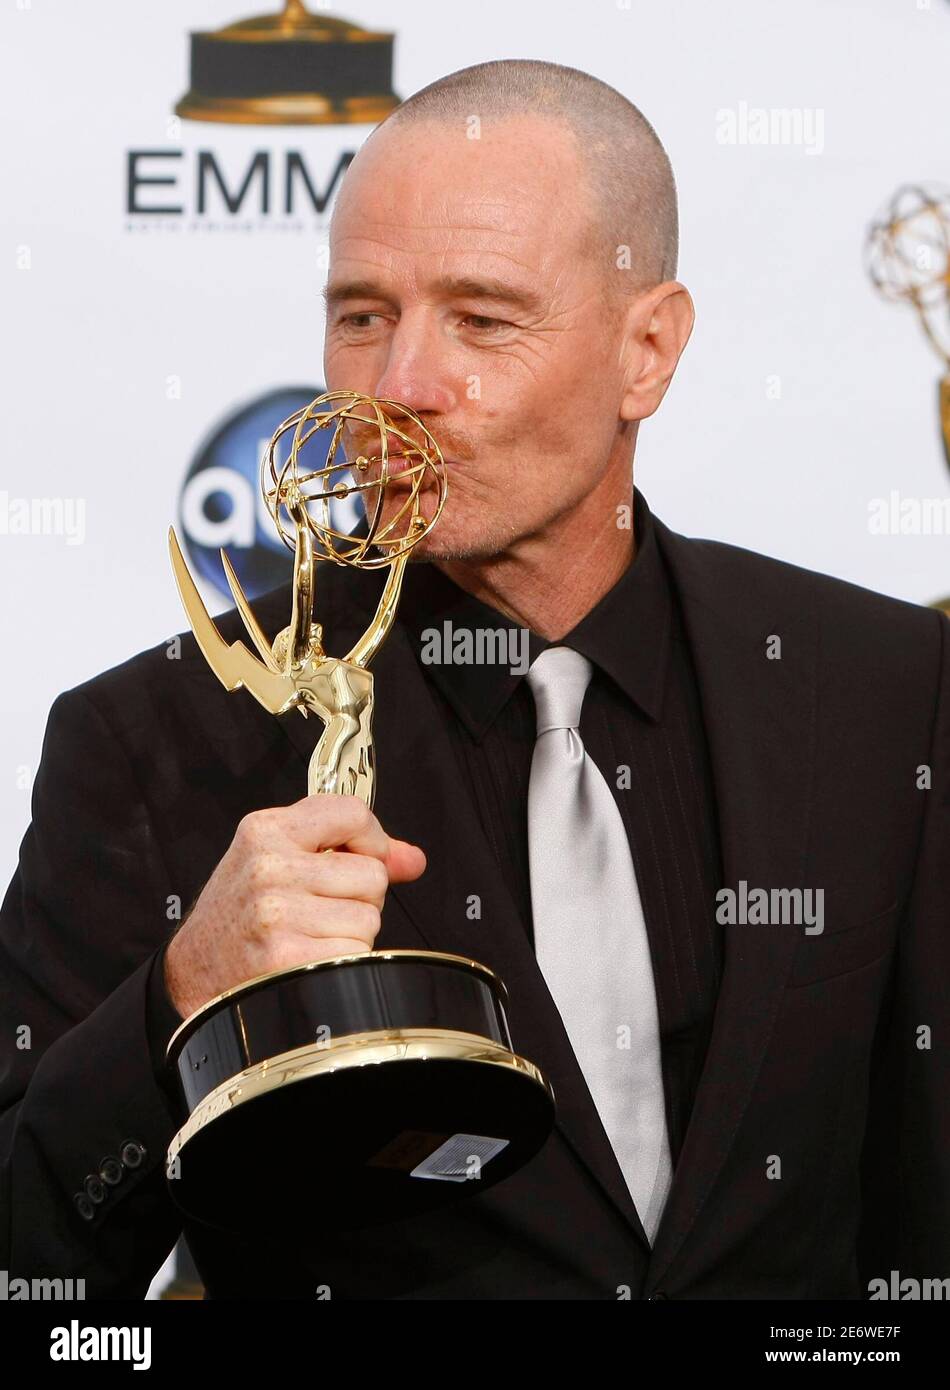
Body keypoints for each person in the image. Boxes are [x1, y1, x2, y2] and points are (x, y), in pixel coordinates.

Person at [1, 59, 947, 1300]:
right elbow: (28, 1266)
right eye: (360, 316)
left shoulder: (882, 690)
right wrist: (174, 999)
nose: (397, 388)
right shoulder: (160, 738)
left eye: (482, 319)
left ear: (645, 350)